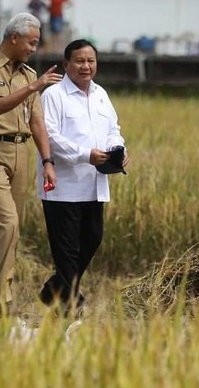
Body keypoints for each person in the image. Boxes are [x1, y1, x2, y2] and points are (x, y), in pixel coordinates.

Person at [0, 12, 62, 317]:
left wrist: (47, 161)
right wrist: (34, 88)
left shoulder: (29, 74)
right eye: (31, 43)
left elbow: (36, 121)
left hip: (21, 152)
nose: (34, 48)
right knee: (5, 223)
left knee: (12, 229)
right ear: (14, 38)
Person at [37, 39, 128, 315]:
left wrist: (118, 149)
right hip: (62, 186)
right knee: (67, 251)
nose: (85, 66)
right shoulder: (53, 96)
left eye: (90, 61)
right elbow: (50, 136)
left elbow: (113, 128)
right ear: (66, 65)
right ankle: (69, 306)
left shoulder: (101, 94)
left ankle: (52, 290)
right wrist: (84, 154)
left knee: (93, 237)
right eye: (79, 61)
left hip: (94, 184)